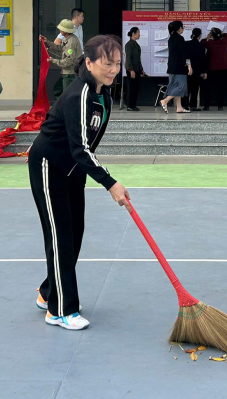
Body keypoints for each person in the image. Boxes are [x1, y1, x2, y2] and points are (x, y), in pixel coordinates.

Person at [29, 35, 131, 330]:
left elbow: (85, 145)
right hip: (50, 166)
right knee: (60, 236)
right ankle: (59, 309)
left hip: (74, 169)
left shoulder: (104, 96)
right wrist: (110, 182)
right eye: (107, 63)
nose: (113, 69)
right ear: (89, 62)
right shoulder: (80, 94)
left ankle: (49, 290)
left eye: (117, 64)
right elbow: (80, 148)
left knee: (75, 233)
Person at [41, 19, 83, 98]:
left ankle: (66, 109)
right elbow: (60, 48)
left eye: (61, 29)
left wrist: (53, 61)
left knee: (66, 95)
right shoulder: (69, 39)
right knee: (59, 91)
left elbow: (68, 61)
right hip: (68, 73)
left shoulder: (71, 42)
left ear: (65, 31)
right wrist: (47, 42)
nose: (60, 30)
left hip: (70, 74)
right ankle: (62, 108)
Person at [160, 20, 192, 114]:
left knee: (175, 85)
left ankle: (179, 107)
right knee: (182, 87)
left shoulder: (171, 38)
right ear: (179, 28)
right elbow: (184, 53)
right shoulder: (179, 38)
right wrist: (189, 64)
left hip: (172, 67)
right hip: (180, 67)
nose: (183, 29)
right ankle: (165, 100)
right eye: (182, 27)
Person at [202, 26, 227, 111]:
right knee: (221, 87)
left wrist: (207, 37)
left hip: (212, 68)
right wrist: (222, 33)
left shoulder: (210, 43)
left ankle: (207, 106)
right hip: (223, 67)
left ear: (212, 35)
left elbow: (202, 42)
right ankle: (220, 106)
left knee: (209, 87)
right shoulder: (224, 42)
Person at [184, 27, 209, 110]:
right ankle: (193, 106)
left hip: (187, 69)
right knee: (195, 89)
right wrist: (204, 71)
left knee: (187, 88)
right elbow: (203, 59)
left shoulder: (186, 44)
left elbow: (185, 57)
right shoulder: (201, 46)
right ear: (200, 36)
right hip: (197, 71)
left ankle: (185, 105)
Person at [124, 27, 146, 111]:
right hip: (132, 70)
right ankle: (130, 105)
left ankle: (133, 104)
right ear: (133, 34)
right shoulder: (129, 45)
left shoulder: (136, 44)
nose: (139, 34)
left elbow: (138, 59)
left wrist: (141, 69)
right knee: (131, 88)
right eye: (138, 33)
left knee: (136, 88)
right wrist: (131, 70)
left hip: (137, 69)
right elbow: (128, 59)